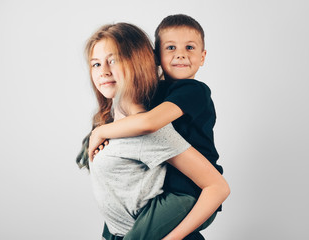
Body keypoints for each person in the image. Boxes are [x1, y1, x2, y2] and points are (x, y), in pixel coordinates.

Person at [77, 22, 230, 240]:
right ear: (157, 58)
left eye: (113, 60)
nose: (104, 71)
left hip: (187, 193)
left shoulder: (190, 94)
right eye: (96, 64)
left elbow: (149, 123)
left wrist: (102, 133)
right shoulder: (150, 102)